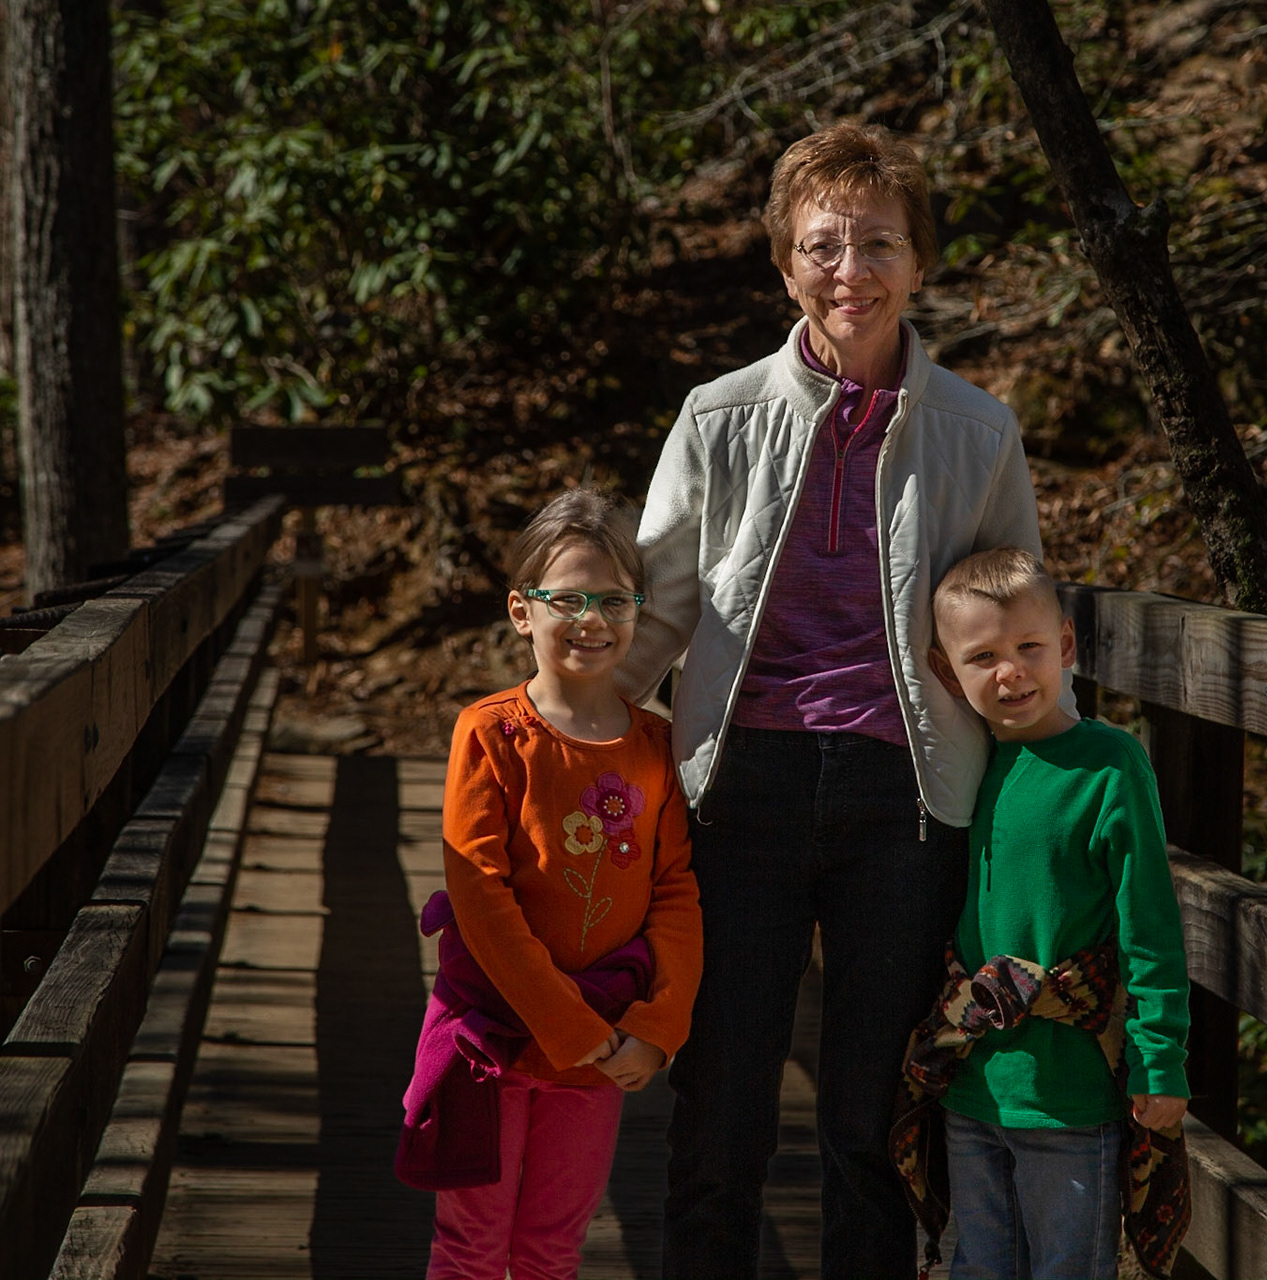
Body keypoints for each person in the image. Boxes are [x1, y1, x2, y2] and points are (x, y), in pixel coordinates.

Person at [621, 121, 1069, 1279]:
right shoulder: (717, 416)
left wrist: (1059, 791)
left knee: (875, 1119)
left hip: (905, 800)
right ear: (786, 266)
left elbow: (1013, 631)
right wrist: (552, 735)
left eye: (879, 243)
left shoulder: (978, 430)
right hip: (742, 790)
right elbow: (658, 611)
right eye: (822, 245)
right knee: (721, 1106)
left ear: (918, 264)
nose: (850, 270)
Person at [400, 488, 702, 1280]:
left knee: (550, 1249)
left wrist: (659, 1025)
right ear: (521, 611)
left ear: (639, 612)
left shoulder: (656, 746)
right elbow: (481, 895)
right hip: (493, 1036)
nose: (591, 619)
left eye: (614, 600)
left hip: (603, 1045)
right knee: (471, 1246)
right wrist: (568, 1027)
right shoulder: (492, 734)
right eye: (567, 598)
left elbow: (675, 891)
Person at [897, 547, 1191, 1280]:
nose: (1010, 672)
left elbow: (1151, 927)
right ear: (946, 673)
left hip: (1072, 1094)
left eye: (1029, 647)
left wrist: (1159, 1057)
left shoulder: (1110, 766)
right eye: (983, 657)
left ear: (1065, 644)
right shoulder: (961, 771)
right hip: (973, 1087)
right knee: (979, 1267)